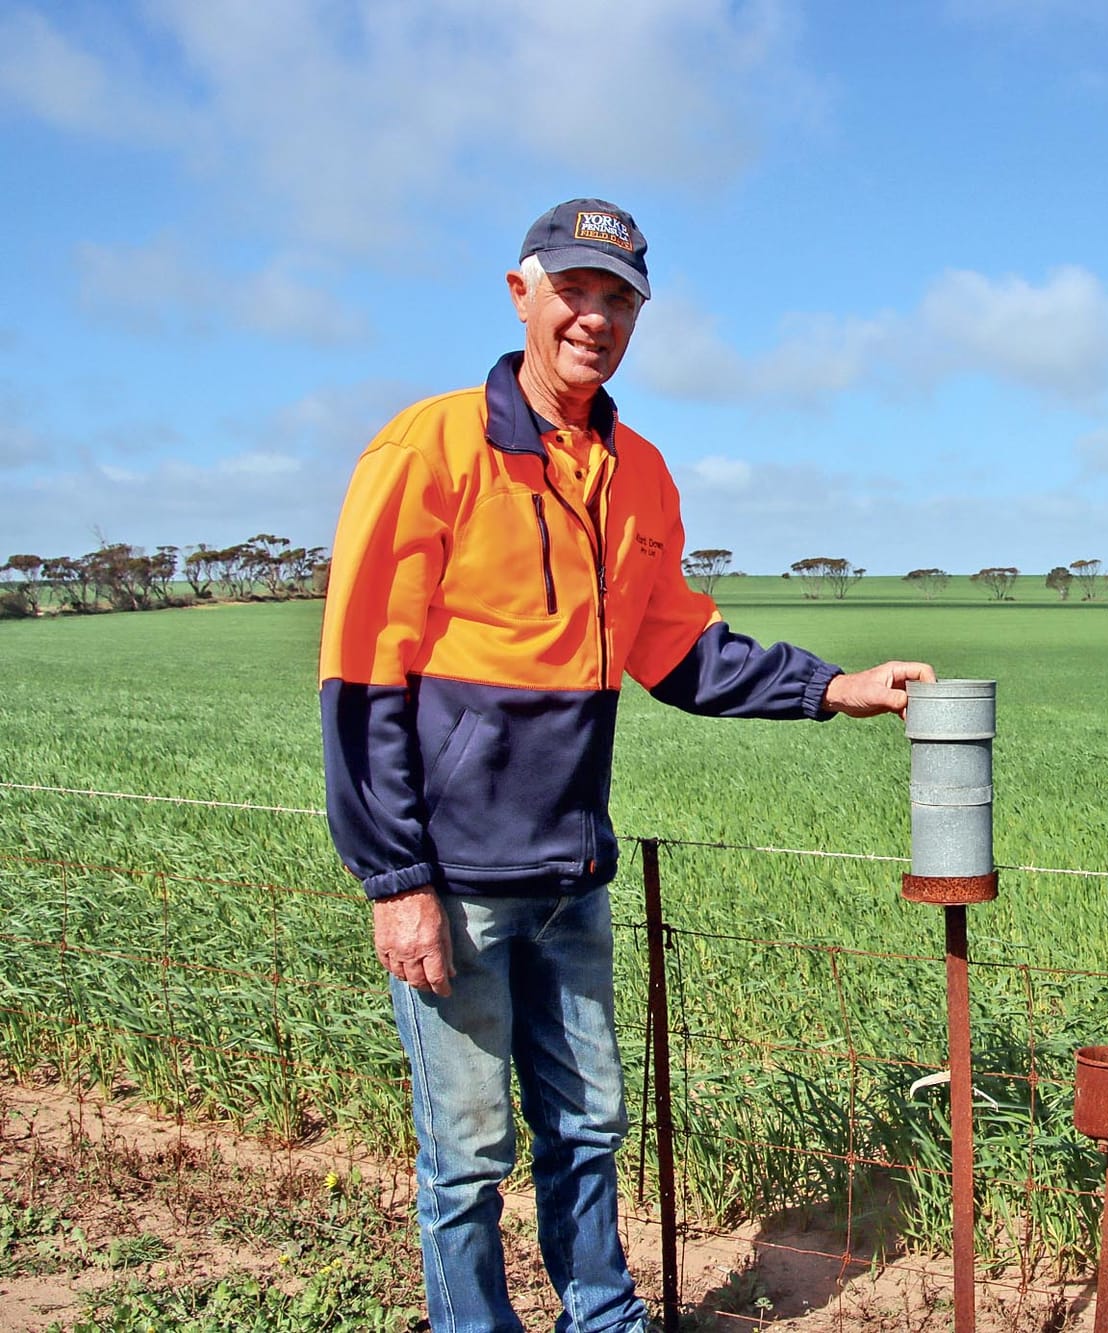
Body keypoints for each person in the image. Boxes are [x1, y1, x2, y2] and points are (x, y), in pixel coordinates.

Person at [318, 197, 933, 1333]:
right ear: (521, 293)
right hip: (454, 880)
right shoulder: (431, 449)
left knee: (588, 1127)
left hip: (570, 875)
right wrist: (394, 879)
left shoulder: (638, 473)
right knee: (465, 1154)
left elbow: (677, 648)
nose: (592, 317)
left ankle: (600, 1317)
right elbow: (362, 678)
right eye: (573, 290)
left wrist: (834, 687)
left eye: (618, 298)